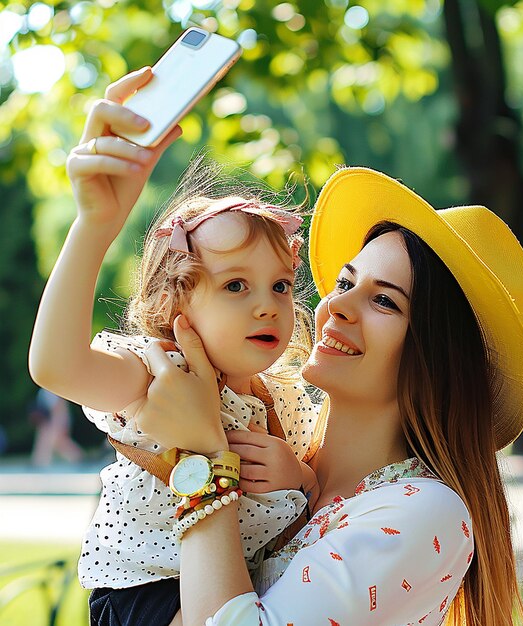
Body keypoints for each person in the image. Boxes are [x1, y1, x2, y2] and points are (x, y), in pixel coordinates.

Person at [135, 164, 523, 623]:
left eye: (384, 300)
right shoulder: (280, 450)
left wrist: (203, 457)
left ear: (439, 360)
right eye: (346, 283)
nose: (335, 305)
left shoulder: (425, 511)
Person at [28, 68, 319, 626]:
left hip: (227, 588)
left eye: (280, 286)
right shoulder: (161, 373)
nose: (267, 306)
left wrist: (300, 478)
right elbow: (55, 366)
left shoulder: (280, 396)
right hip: (148, 595)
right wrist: (95, 225)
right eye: (236, 285)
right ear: (176, 304)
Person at [29, 387, 84, 466]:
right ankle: (39, 463)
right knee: (53, 443)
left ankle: (79, 459)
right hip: (50, 422)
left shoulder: (54, 391)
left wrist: (55, 426)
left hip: (57, 422)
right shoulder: (45, 391)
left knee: (59, 444)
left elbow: (59, 411)